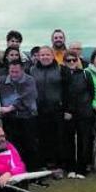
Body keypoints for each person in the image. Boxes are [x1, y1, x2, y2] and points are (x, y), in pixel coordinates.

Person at [0, 60, 40, 172]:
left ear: (22, 70)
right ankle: (15, 169)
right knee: (12, 145)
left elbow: (27, 97)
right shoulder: (2, 80)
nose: (14, 74)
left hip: (27, 117)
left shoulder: (29, 80)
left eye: (17, 72)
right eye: (11, 71)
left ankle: (32, 170)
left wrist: (10, 107)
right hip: (10, 119)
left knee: (30, 145)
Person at [29, 46, 69, 175]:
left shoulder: (62, 70)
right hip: (38, 110)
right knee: (40, 138)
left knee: (57, 138)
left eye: (47, 55)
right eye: (42, 55)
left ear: (53, 56)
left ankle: (57, 166)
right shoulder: (31, 70)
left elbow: (69, 92)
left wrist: (68, 109)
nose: (45, 57)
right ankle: (42, 164)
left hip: (57, 109)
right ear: (38, 57)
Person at [63, 51, 94, 179]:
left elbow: (92, 93)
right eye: (68, 60)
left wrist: (86, 107)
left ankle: (81, 168)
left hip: (84, 112)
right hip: (68, 114)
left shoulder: (86, 74)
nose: (71, 62)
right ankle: (70, 167)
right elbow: (62, 94)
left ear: (78, 61)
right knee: (69, 141)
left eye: (73, 60)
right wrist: (67, 110)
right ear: (64, 62)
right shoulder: (62, 75)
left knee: (84, 141)